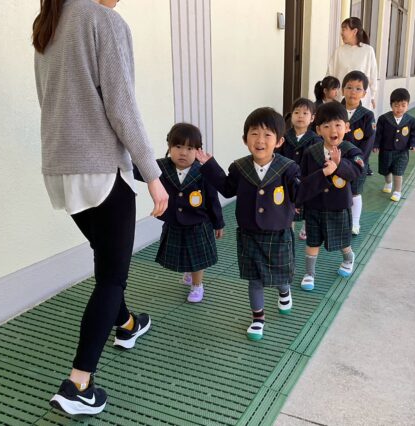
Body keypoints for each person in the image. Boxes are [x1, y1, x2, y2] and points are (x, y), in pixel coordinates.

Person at [33, 0, 169, 416]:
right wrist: (152, 174)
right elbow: (122, 105)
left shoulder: (47, 22)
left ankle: (127, 325)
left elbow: (46, 99)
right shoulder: (102, 20)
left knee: (106, 257)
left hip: (60, 169)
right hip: (100, 169)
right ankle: (78, 385)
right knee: (112, 277)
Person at [196, 108, 299, 341]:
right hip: (249, 234)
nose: (260, 140)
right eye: (254, 134)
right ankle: (258, 319)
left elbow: (299, 193)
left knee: (280, 275)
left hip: (278, 233)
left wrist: (322, 177)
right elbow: (227, 188)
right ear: (245, 139)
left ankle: (284, 291)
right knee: (255, 280)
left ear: (279, 141)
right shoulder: (239, 167)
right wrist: (210, 165)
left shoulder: (288, 168)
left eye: (267, 135)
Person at [134, 123, 224, 302]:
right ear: (169, 147)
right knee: (182, 252)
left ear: (198, 150)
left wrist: (218, 223)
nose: (183, 152)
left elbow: (213, 199)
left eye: (190, 148)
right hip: (174, 221)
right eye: (178, 146)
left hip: (199, 222)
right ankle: (189, 272)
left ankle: (197, 285)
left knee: (198, 257)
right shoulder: (161, 166)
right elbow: (139, 170)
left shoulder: (204, 171)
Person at [297, 102, 364, 292]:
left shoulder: (351, 150)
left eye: (338, 125)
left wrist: (339, 165)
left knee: (342, 241)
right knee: (312, 241)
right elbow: (303, 179)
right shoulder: (311, 152)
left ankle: (348, 258)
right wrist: (299, 202)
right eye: (326, 126)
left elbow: (357, 171)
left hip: (338, 206)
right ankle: (309, 273)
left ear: (347, 127)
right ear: (318, 130)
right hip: (314, 206)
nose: (333, 130)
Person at [277, 98, 323, 240]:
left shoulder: (316, 139)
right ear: (291, 116)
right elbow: (277, 157)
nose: (300, 116)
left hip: (307, 179)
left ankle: (306, 226)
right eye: (296, 112)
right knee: (289, 205)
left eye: (305, 113)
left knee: (308, 205)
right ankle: (288, 230)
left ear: (312, 118)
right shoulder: (284, 137)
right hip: (287, 179)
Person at [341, 71, 376, 236]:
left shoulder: (367, 115)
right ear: (342, 90)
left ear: (364, 93)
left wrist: (359, 161)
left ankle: (355, 223)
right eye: (349, 87)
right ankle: (338, 221)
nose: (352, 92)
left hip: (358, 162)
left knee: (355, 192)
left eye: (358, 88)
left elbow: (369, 141)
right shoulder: (335, 111)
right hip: (336, 160)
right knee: (336, 190)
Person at [373, 88, 415, 202]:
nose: (400, 108)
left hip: (402, 151)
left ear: (407, 105)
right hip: (386, 150)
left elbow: (414, 134)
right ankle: (388, 183)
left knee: (398, 171)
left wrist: (413, 144)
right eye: (396, 105)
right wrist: (376, 145)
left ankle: (397, 191)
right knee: (386, 170)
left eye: (403, 105)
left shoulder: (410, 120)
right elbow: (378, 134)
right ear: (391, 105)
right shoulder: (383, 119)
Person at [327, 17, 378, 110]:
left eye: (344, 29)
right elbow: (330, 75)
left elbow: (373, 76)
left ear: (354, 31)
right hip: (340, 99)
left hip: (362, 100)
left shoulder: (368, 50)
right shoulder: (339, 51)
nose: (341, 33)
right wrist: (329, 94)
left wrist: (372, 96)